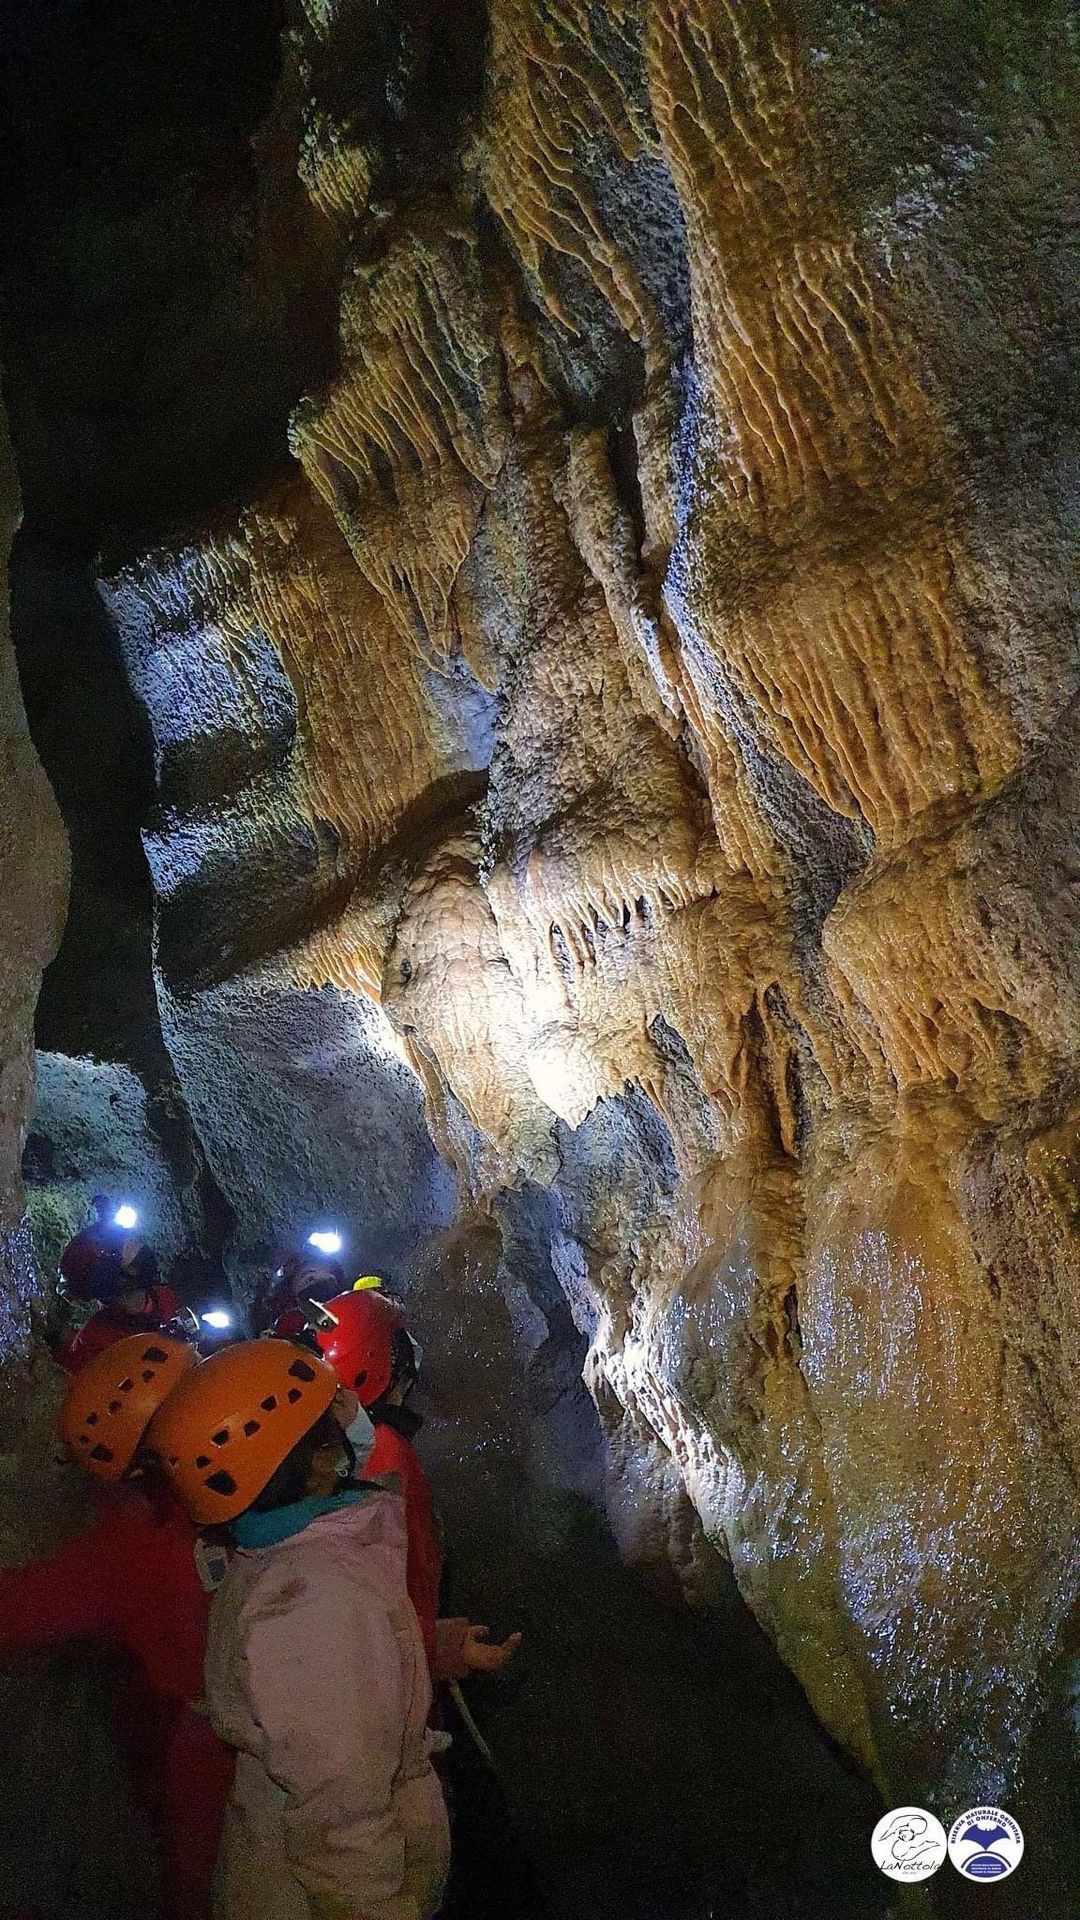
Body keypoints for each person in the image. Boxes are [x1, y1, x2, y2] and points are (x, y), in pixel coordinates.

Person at [146, 1339, 450, 1920]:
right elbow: (344, 1817)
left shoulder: (273, 1549)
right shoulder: (316, 1602)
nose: (343, 1415)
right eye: (326, 1414)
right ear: (313, 1460)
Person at [0, 1334, 235, 1920]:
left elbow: (17, 1610)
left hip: (209, 1756)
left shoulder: (127, 1547)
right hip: (255, 1744)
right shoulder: (243, 1499)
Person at [309, 1287, 521, 1684]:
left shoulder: (358, 1443)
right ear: (383, 1358)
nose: (412, 1345)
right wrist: (436, 1647)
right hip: (406, 1669)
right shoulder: (382, 1452)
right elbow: (393, 1582)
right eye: (400, 1339)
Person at [54, 1218, 184, 1372]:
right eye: (122, 1246)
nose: (134, 1245)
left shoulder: (165, 1297)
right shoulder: (95, 1339)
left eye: (131, 1240)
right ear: (108, 1278)